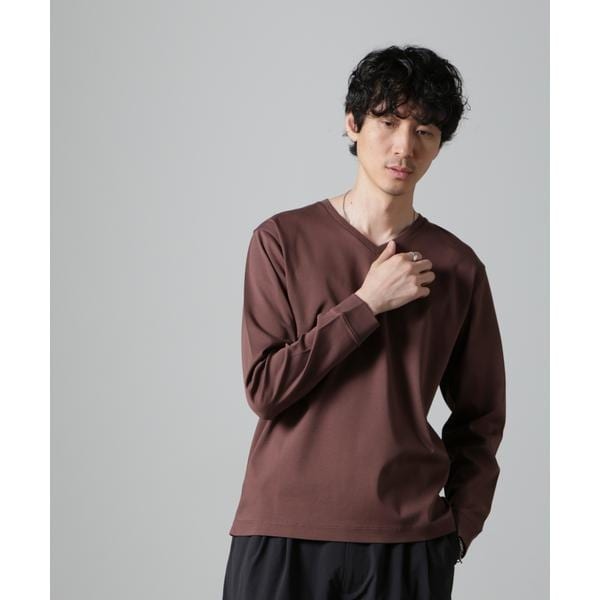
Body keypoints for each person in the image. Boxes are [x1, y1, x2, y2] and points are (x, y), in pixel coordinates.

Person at [222, 44, 506, 600]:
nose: (405, 146)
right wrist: (365, 304)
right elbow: (265, 389)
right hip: (281, 530)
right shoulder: (281, 241)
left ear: (439, 145)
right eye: (388, 121)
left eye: (425, 131)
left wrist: (458, 529)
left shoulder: (457, 266)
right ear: (353, 124)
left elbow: (482, 415)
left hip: (406, 542)